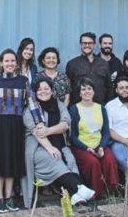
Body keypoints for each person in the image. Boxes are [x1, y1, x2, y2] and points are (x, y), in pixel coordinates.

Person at [0, 49, 43, 213]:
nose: (9, 63)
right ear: (1, 63)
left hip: (16, 125)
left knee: (12, 162)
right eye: (6, 61)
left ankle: (9, 198)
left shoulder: (23, 81)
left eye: (12, 61)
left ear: (16, 63)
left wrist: (39, 122)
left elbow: (32, 103)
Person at [21, 78, 95, 208]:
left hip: (59, 142)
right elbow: (38, 133)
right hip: (38, 146)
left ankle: (74, 195)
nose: (43, 91)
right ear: (35, 92)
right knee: (55, 159)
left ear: (51, 90)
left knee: (70, 159)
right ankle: (80, 189)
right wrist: (51, 149)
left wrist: (49, 130)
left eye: (46, 88)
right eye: (39, 89)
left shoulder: (59, 104)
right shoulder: (30, 110)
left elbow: (65, 124)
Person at [68, 79, 119, 198]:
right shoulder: (74, 109)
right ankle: (97, 192)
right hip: (81, 145)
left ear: (94, 91)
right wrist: (86, 148)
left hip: (99, 144)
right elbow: (72, 136)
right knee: (93, 162)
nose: (87, 91)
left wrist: (101, 147)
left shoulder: (101, 108)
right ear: (79, 93)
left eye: (89, 88)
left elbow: (106, 132)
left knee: (110, 159)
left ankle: (112, 189)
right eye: (83, 89)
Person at [66, 32, 112, 104]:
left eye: (90, 43)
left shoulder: (104, 63)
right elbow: (68, 89)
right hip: (79, 108)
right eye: (84, 43)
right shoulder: (72, 64)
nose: (87, 45)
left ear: (94, 44)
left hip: (99, 107)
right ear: (80, 44)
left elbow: (109, 87)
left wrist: (107, 106)